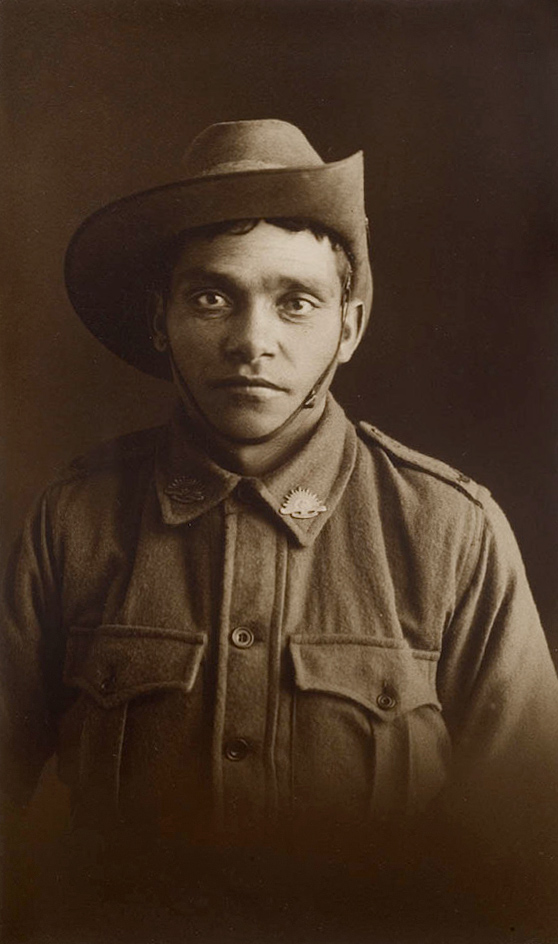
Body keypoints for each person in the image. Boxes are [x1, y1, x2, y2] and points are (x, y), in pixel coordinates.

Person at [2, 119, 558, 943]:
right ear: (160, 321)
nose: (252, 342)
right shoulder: (75, 520)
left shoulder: (449, 531)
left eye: (296, 302)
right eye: (211, 297)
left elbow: (530, 853)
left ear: (349, 327)